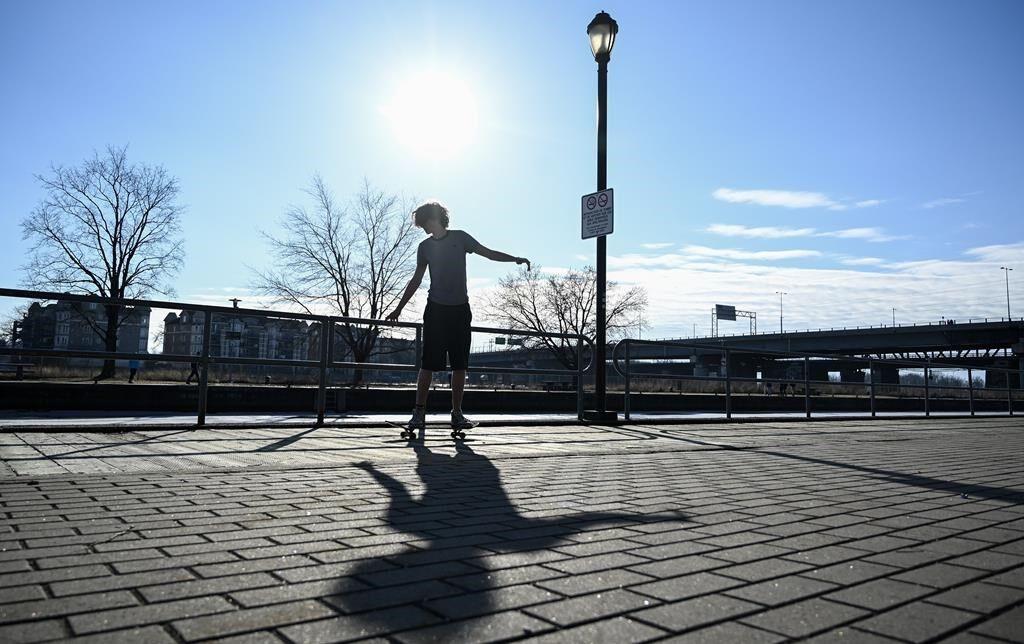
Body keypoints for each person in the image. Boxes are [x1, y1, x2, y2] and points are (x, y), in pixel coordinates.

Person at [386, 201, 530, 432]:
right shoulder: (424, 247)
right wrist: (399, 307)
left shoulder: (460, 238)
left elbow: (488, 253)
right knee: (428, 365)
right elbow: (416, 279)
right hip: (435, 310)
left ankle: (457, 415)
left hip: (460, 310)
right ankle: (418, 415)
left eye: (423, 223)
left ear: (433, 219)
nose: (422, 228)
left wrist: (514, 259)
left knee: (460, 365)